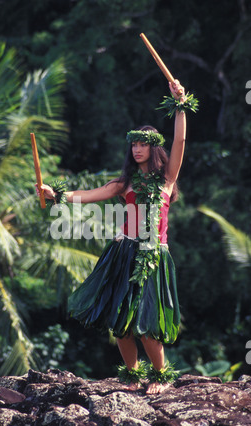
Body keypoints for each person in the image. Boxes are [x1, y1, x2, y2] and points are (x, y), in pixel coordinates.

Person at [37, 80, 186, 394]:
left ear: (153, 146)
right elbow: (90, 195)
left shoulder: (166, 180)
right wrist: (56, 196)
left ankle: (161, 376)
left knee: (146, 325)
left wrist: (180, 104)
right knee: (121, 324)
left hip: (154, 254)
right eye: (133, 144)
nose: (136, 149)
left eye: (142, 144)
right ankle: (132, 376)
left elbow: (180, 140)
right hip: (123, 253)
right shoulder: (126, 184)